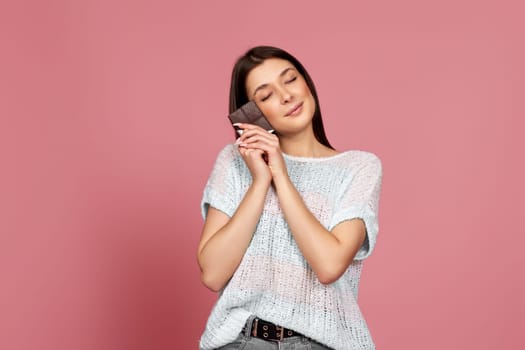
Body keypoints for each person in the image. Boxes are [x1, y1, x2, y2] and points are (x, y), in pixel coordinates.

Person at [197, 46, 383, 350]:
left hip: (321, 343)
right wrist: (261, 180)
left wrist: (281, 176)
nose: (285, 96)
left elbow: (328, 264)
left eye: (290, 79)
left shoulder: (358, 167)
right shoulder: (234, 162)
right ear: (252, 114)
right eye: (266, 95)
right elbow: (214, 274)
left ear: (307, 83)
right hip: (240, 340)